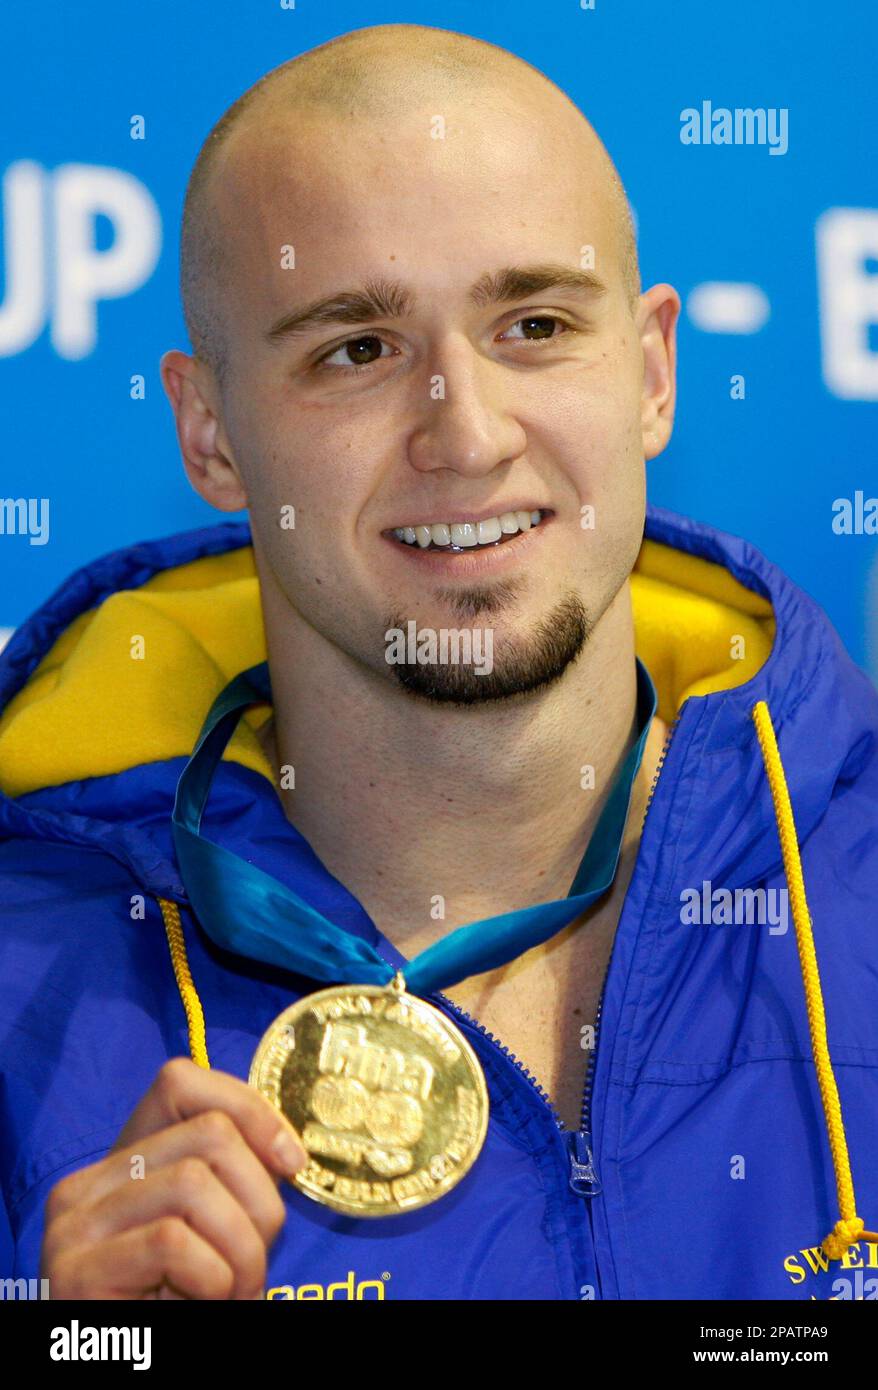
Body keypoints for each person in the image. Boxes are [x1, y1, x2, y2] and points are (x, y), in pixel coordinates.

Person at [1, 22, 877, 1302]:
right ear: (210, 431)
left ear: (648, 373)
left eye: (531, 323)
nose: (464, 435)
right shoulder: (23, 1001)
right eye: (355, 351)